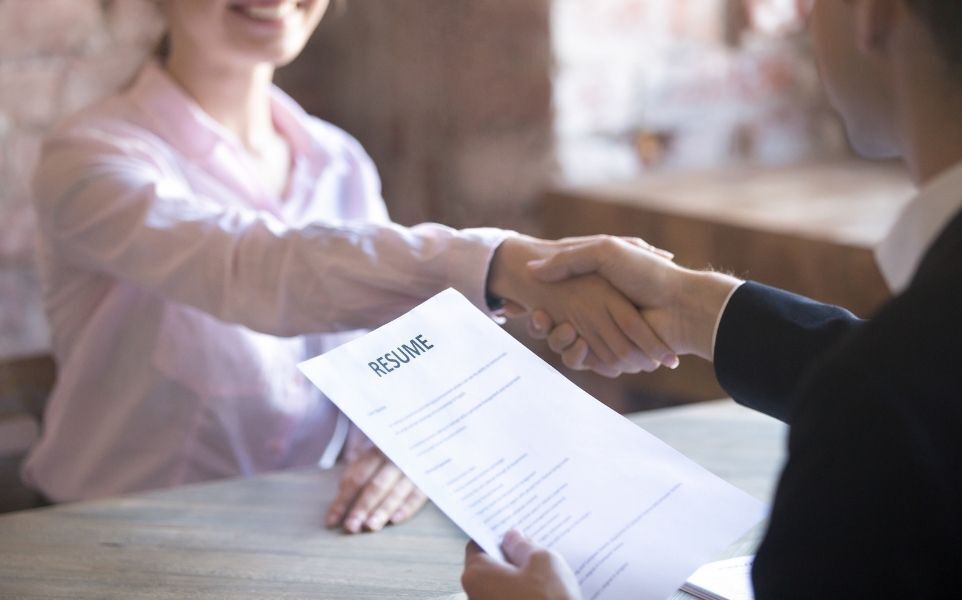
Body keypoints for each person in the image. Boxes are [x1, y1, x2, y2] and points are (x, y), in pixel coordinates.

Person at [26, 0, 676, 535]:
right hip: (107, 535)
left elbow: (396, 355)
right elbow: (246, 268)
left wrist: (406, 444)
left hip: (305, 535)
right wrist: (501, 263)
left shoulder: (339, 162)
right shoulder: (89, 159)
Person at [462, 0, 962, 597]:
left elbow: (907, 395)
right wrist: (694, 307)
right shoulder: (939, 351)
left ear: (875, 14)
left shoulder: (883, 408)